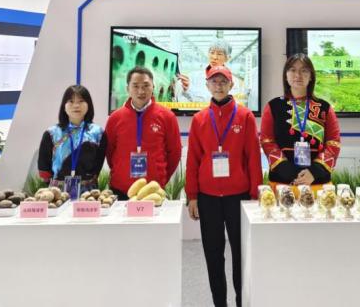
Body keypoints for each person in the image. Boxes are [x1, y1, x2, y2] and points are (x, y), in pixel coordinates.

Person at [186, 66, 262, 307]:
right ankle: (219, 303)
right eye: (214, 81)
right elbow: (193, 159)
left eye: (223, 81)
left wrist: (255, 195)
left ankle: (242, 302)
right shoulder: (199, 119)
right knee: (213, 255)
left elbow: (253, 157)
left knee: (241, 254)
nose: (218, 85)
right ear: (207, 85)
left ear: (231, 85)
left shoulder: (245, 116)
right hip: (208, 197)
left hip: (238, 197)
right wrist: (192, 196)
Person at [260, 53, 341, 191]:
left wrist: (314, 172)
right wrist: (289, 171)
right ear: (286, 76)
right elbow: (267, 141)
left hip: (317, 185)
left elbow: (333, 143)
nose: (298, 75)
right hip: (282, 185)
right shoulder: (273, 106)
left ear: (311, 76)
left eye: (304, 70)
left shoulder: (325, 108)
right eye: (292, 70)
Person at [105, 66, 182, 201]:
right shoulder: (115, 118)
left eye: (146, 85)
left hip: (153, 191)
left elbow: (174, 153)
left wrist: (160, 177)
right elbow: (109, 152)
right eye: (135, 86)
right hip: (121, 190)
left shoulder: (167, 117)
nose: (141, 91)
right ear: (127, 88)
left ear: (153, 87)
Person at [37, 85, 106, 191]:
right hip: (57, 190)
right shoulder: (51, 133)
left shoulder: (98, 133)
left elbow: (98, 165)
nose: (76, 105)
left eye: (81, 101)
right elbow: (44, 168)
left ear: (89, 104)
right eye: (71, 101)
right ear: (64, 106)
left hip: (89, 191)